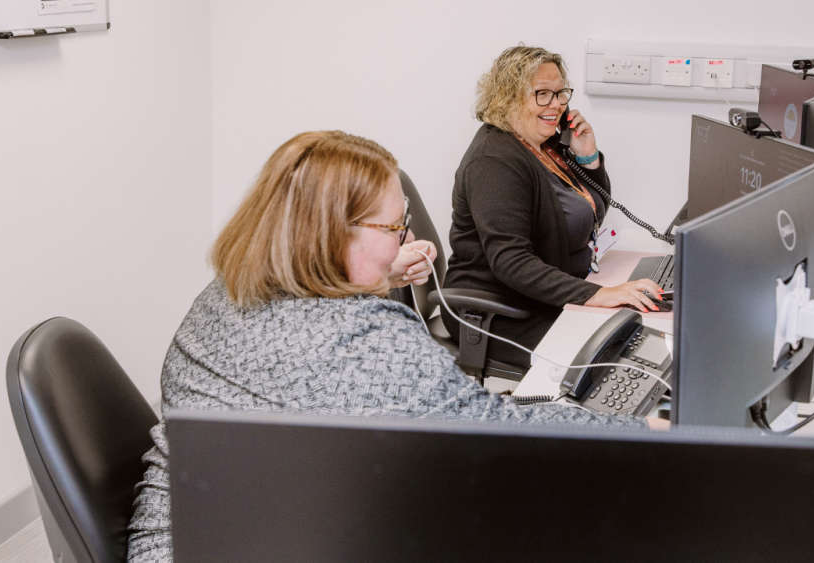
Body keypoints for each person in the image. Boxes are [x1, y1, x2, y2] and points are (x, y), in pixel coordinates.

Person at [126, 130, 660, 562]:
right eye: (395, 228)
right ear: (335, 235)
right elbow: (499, 435)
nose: (406, 239)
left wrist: (377, 276)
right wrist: (646, 431)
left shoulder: (231, 286)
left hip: (187, 529)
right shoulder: (366, 343)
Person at [444, 46, 664, 368]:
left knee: (641, 331)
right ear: (508, 98)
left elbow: (589, 210)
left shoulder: (543, 144)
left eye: (561, 93)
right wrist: (597, 295)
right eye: (542, 94)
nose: (557, 104)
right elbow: (511, 261)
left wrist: (587, 158)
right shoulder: (494, 162)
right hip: (501, 312)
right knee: (621, 356)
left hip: (544, 297)